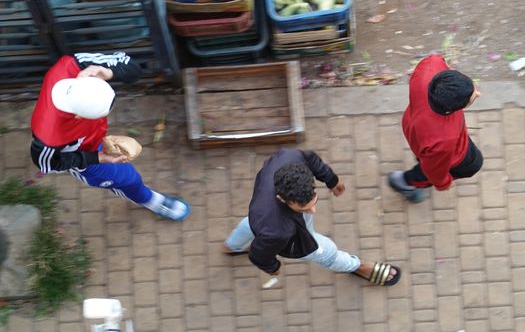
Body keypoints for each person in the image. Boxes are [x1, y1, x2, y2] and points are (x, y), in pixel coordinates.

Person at [30, 52, 191, 221]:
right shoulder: (48, 139)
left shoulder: (75, 63)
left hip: (91, 135)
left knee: (126, 176)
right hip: (86, 151)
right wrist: (97, 157)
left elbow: (132, 68)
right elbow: (48, 163)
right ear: (78, 116)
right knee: (127, 178)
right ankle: (151, 201)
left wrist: (108, 72)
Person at [224, 148, 401, 286]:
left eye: (313, 200)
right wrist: (273, 268)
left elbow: (311, 159)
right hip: (281, 230)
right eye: (305, 207)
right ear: (282, 198)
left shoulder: (290, 157)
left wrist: (331, 179)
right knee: (326, 252)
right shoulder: (277, 231)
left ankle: (232, 245)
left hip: (259, 211)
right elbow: (258, 254)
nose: (313, 210)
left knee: (252, 224)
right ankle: (359, 266)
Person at [388, 54, 483, 203]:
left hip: (412, 124)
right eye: (472, 97)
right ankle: (405, 182)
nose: (478, 94)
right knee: (473, 164)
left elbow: (438, 59)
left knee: (424, 155)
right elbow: (434, 169)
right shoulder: (445, 139)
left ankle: (416, 165)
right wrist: (443, 183)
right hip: (438, 149)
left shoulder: (431, 65)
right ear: (451, 109)